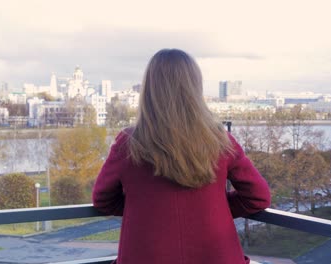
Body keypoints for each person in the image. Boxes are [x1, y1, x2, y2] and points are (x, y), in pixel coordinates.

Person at [92, 49, 271, 264]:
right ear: (195, 88)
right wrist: (213, 209)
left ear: (149, 89)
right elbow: (258, 197)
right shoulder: (219, 141)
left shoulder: (129, 142)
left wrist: (147, 209)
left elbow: (103, 200)